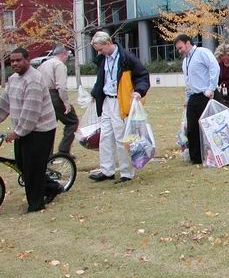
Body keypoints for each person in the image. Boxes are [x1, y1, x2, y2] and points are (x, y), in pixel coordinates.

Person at [0, 48, 63, 212]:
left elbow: (31, 113)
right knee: (23, 164)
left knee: (33, 168)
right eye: (12, 61)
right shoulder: (13, 79)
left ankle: (36, 205)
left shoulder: (34, 80)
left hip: (40, 131)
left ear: (27, 60)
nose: (14, 63)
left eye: (18, 60)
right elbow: (4, 104)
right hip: (24, 130)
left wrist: (17, 133)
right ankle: (53, 187)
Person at [89, 31, 150, 182]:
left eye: (100, 49)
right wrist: (95, 93)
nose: (99, 52)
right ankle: (107, 170)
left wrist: (139, 91)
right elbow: (102, 79)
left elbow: (142, 75)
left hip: (120, 101)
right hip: (106, 101)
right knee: (105, 136)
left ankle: (126, 172)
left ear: (108, 43)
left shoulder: (126, 58)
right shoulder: (103, 59)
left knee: (121, 137)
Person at [174, 34, 220, 165]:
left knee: (210, 126)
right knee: (192, 128)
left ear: (188, 43)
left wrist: (211, 88)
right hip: (194, 96)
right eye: (178, 49)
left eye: (180, 48)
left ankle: (214, 153)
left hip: (207, 95)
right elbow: (188, 81)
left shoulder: (202, 52)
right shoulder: (185, 61)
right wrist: (187, 98)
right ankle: (196, 157)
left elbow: (214, 68)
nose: (179, 51)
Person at [37, 45, 79, 155]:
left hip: (43, 96)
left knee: (49, 126)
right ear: (63, 54)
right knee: (72, 121)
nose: (67, 58)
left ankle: (47, 154)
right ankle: (64, 151)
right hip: (54, 95)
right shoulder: (59, 65)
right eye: (67, 56)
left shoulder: (44, 64)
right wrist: (66, 102)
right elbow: (61, 86)